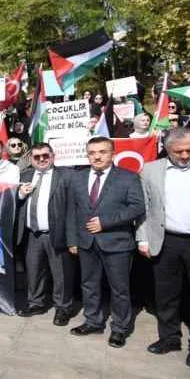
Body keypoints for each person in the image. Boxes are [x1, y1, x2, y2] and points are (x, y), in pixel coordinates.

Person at [136, 128, 190, 368]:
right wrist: (142, 239)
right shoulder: (151, 170)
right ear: (167, 149)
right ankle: (169, 338)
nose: (185, 155)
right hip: (165, 242)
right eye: (179, 151)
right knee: (166, 295)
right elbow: (144, 208)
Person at [66, 136, 145, 348]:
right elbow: (72, 211)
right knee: (89, 285)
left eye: (102, 152)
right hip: (86, 243)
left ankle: (120, 329)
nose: (97, 156)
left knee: (119, 288)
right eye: (92, 153)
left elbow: (137, 207)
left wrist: (106, 222)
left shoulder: (128, 178)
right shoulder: (78, 178)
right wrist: (72, 239)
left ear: (112, 154)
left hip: (117, 243)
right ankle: (93, 321)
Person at [16, 143, 76, 326]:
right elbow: (13, 203)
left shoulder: (66, 176)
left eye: (45, 155)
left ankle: (63, 307)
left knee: (61, 274)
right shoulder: (24, 175)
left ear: (52, 156)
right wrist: (19, 194)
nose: (41, 159)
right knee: (34, 271)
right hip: (31, 234)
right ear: (31, 159)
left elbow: (74, 208)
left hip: (56, 234)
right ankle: (36, 303)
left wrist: (73, 238)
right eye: (36, 157)